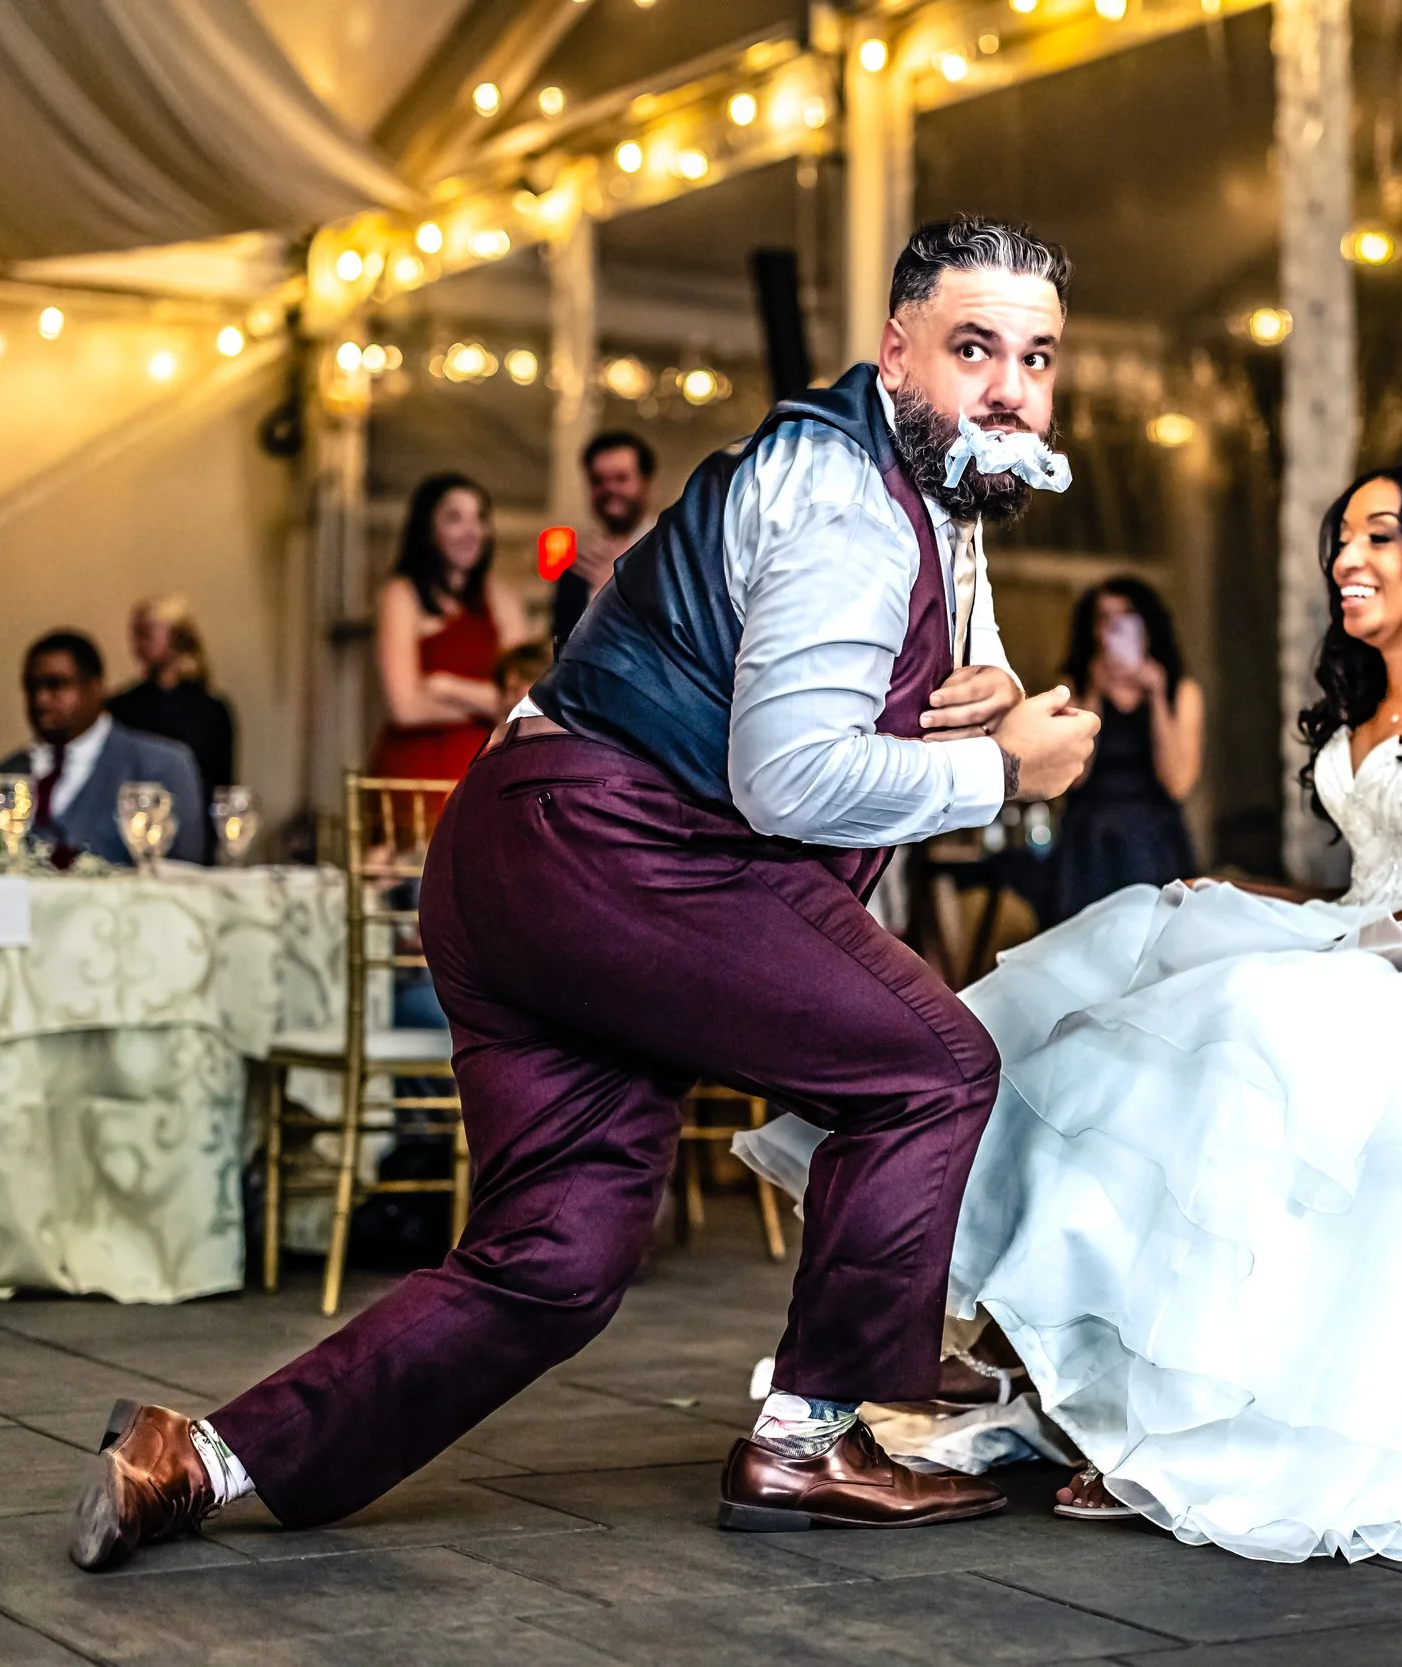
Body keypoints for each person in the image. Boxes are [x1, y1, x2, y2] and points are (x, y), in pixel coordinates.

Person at [66, 216, 1100, 1571]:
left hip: (519, 852)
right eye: (974, 349)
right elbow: (789, 779)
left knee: (550, 1259)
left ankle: (189, 1458)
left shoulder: (922, 500)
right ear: (897, 354)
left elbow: (895, 687)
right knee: (933, 1065)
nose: (1010, 390)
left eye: (1036, 358)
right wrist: (1003, 773)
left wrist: (991, 705)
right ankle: (807, 1437)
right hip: (618, 847)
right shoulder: (850, 499)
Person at [740, 466, 1402, 1563]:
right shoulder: (1369, 696)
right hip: (1366, 940)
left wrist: (1296, 953)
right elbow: (1362, 889)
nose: (1346, 558)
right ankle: (1069, 1356)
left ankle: (1180, 1408)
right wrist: (1257, 904)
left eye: (1379, 535)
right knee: (1114, 993)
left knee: (1230, 1019)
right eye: (1341, 538)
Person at [1045, 575, 1203, 921]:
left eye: (1126, 616)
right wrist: (1095, 696)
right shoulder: (1074, 686)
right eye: (1105, 617)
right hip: (1089, 844)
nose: (1115, 627)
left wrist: (1158, 696)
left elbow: (1177, 784)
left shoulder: (1180, 691)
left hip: (1155, 843)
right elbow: (1071, 779)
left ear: (1147, 624)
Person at [367, 473, 531, 788]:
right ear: (428, 529)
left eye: (479, 517)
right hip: (418, 775)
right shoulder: (401, 594)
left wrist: (445, 686)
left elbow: (523, 700)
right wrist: (490, 707)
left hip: (491, 771)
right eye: (455, 518)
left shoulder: (503, 598)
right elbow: (405, 708)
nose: (471, 531)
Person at [20, 631, 206, 867]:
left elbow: (185, 871)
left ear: (96, 687)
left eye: (57, 684)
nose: (41, 700)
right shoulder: (4, 776)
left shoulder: (161, 765)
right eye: (31, 687)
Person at [108, 595, 236, 853]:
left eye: (146, 633)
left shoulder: (211, 711)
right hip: (127, 843)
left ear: (176, 636)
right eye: (135, 634)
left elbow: (222, 786)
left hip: (192, 841)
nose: (137, 645)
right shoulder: (121, 707)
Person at [551, 431, 658, 650]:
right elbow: (560, 649)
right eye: (598, 481)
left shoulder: (672, 554)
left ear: (646, 481)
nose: (609, 489)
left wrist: (615, 593)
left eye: (621, 478)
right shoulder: (577, 568)